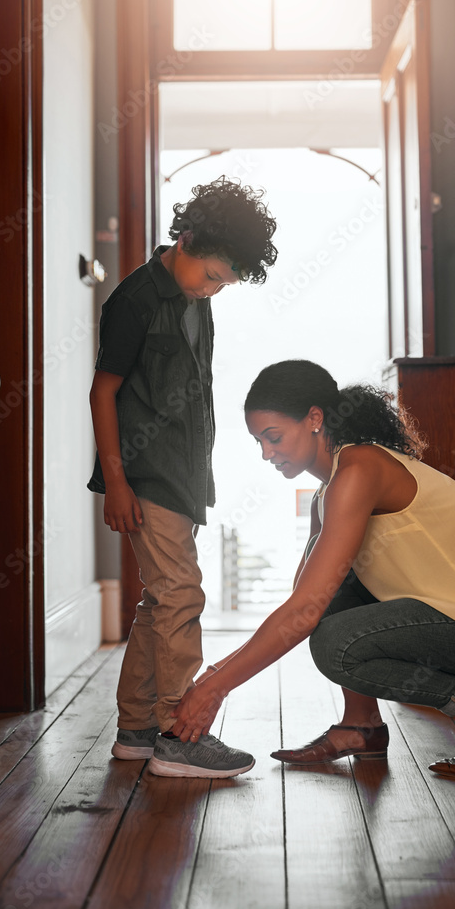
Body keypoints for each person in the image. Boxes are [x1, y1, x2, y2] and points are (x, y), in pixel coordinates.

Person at [173, 360, 455, 779]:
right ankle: (361, 725)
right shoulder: (327, 492)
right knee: (331, 599)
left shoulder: (360, 470)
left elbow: (304, 613)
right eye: (259, 442)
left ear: (314, 419)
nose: (267, 453)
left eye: (274, 438)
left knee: (335, 645)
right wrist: (214, 677)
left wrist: (214, 687)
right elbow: (305, 602)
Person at [88, 177, 278, 778]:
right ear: (187, 238)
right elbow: (104, 391)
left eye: (228, 283)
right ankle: (179, 731)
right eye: (215, 275)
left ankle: (138, 729)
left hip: (183, 473)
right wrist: (115, 482)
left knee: (158, 599)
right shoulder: (135, 301)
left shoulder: (197, 305)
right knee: (182, 595)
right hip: (145, 474)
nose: (216, 289)